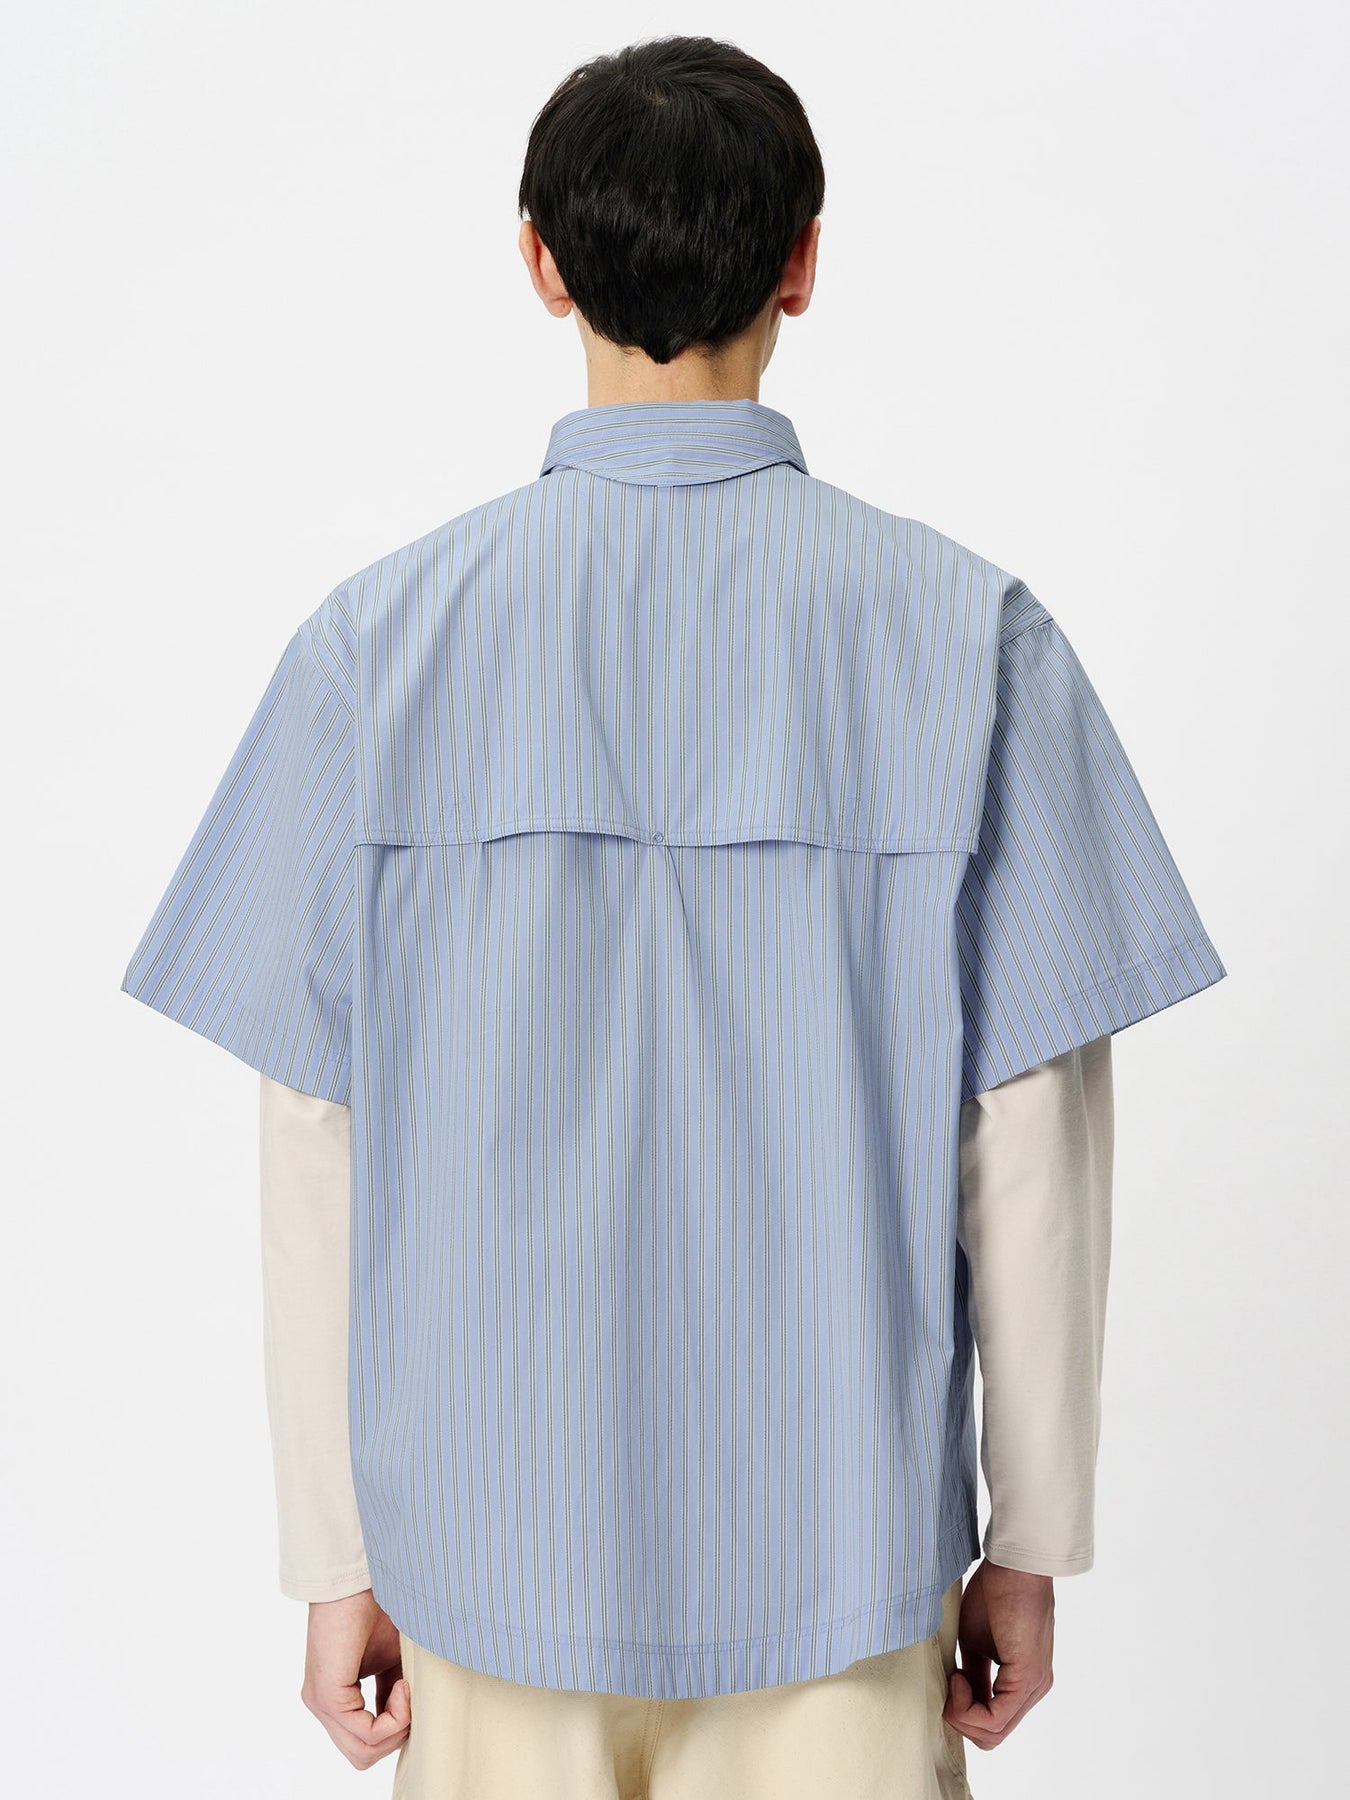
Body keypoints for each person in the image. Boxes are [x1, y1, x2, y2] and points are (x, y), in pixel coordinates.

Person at [120, 33, 1227, 1800]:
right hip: (838, 1561)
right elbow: (1031, 1142)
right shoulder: (968, 643)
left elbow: (312, 1139)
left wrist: (334, 1558)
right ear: (801, 261)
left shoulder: (372, 654)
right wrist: (1029, 1540)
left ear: (539, 264)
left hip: (486, 1558)